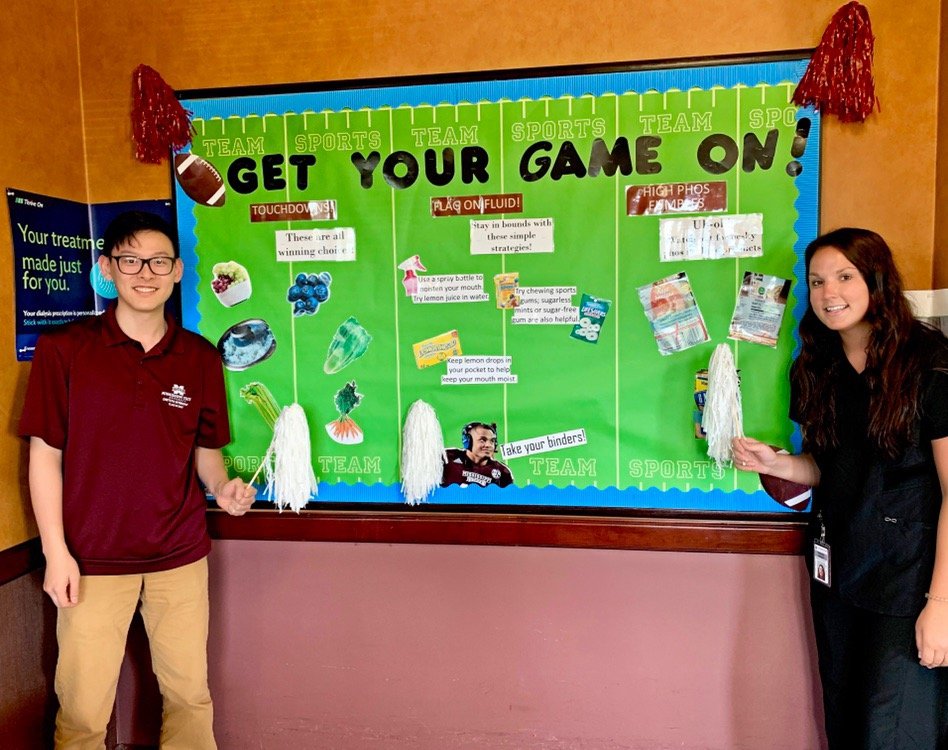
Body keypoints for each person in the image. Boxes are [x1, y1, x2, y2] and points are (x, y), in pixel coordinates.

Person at [18, 211, 255, 750]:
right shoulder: (66, 351)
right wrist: (56, 553)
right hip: (91, 560)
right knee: (80, 713)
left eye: (159, 261)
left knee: (190, 698)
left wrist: (224, 490)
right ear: (107, 268)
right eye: (129, 260)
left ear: (176, 272)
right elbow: (44, 456)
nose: (144, 272)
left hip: (180, 556)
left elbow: (207, 455)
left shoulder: (198, 357)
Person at [733, 227, 948, 749]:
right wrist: (779, 463)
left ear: (876, 280)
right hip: (838, 570)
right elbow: (831, 469)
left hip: (910, 579)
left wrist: (941, 604)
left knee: (893, 730)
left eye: (845, 277)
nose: (830, 293)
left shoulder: (929, 361)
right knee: (846, 721)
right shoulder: (816, 366)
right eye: (817, 281)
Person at [441, 421, 514, 488]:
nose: (489, 445)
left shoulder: (502, 472)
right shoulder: (446, 458)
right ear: (468, 441)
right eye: (482, 440)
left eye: (492, 441)